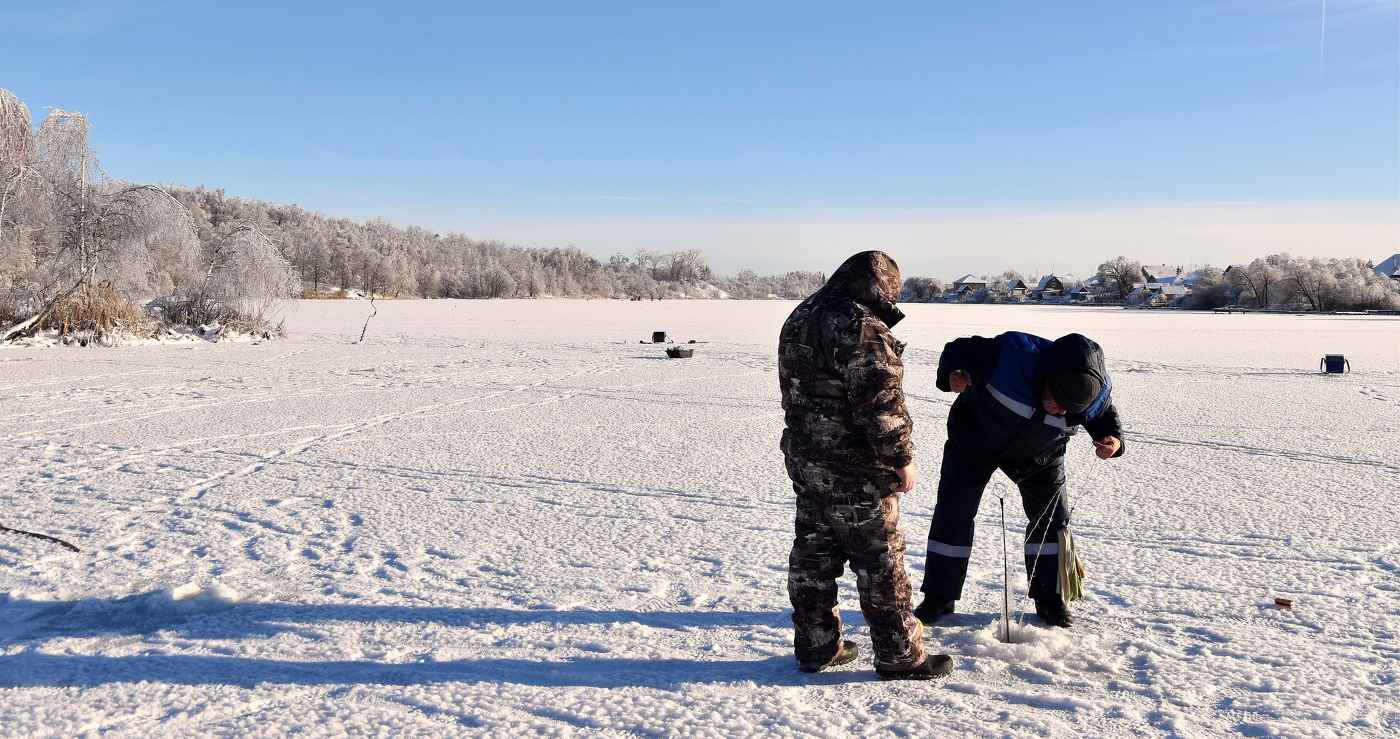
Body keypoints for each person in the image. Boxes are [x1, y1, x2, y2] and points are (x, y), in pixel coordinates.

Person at [778, 251, 953, 680]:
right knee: (880, 560)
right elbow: (880, 402)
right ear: (878, 287)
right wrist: (901, 458)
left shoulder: (802, 314)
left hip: (807, 459)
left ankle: (817, 646)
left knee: (813, 553)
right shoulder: (859, 324)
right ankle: (900, 655)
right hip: (856, 467)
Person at [915, 331, 1124, 628]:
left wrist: (1113, 440)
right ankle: (939, 596)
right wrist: (953, 373)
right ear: (1047, 380)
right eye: (1058, 402)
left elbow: (1105, 417)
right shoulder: (1008, 356)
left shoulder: (1094, 391)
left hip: (1041, 455)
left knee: (1052, 522)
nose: (1063, 410)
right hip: (973, 440)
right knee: (953, 512)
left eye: (1071, 409)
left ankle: (1051, 600)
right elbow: (959, 350)